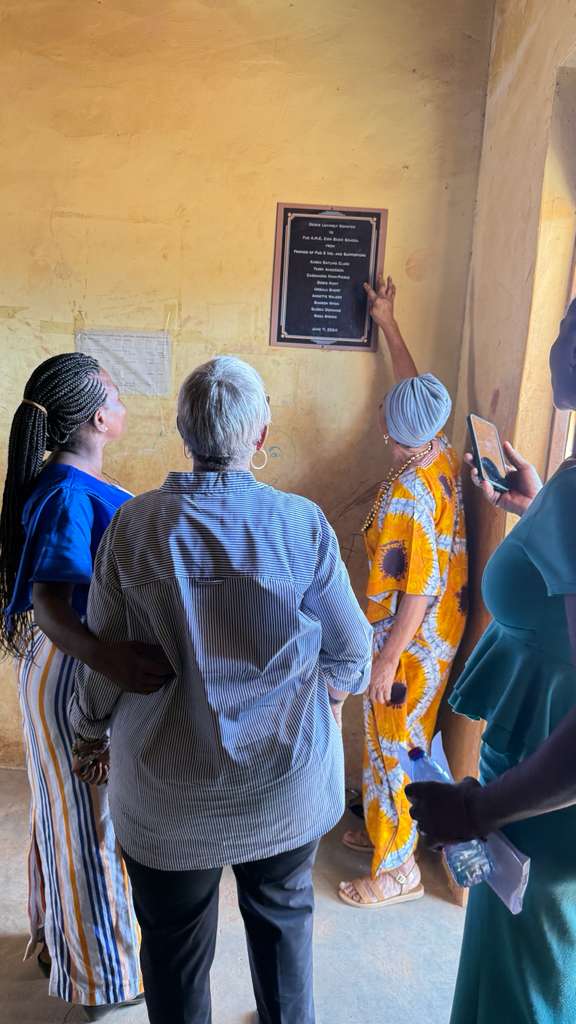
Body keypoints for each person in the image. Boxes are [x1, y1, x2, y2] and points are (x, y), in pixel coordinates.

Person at [68, 355, 373, 1024]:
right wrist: (318, 697)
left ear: (184, 434)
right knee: (283, 935)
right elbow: (353, 653)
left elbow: (108, 662)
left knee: (175, 955)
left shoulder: (135, 528)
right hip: (285, 789)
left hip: (167, 801)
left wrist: (87, 734)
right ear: (260, 435)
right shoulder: (302, 525)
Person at [406, 299, 576, 1023]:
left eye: (567, 328)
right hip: (533, 794)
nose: (558, 344)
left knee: (524, 992)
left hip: (540, 800)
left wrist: (478, 809)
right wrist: (538, 510)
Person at [0, 353, 173, 1018]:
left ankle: (60, 941)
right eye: (117, 399)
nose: (123, 408)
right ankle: (105, 979)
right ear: (99, 419)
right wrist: (113, 662)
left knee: (63, 810)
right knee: (88, 822)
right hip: (74, 666)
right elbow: (50, 603)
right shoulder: (70, 494)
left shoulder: (67, 480)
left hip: (67, 663)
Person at [338, 277, 468, 909]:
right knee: (388, 735)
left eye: (388, 418)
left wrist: (387, 660)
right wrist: (388, 322)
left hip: (410, 639)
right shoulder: (437, 450)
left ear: (395, 433)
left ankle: (398, 871)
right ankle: (382, 827)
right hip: (434, 629)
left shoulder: (412, 494)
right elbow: (414, 392)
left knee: (394, 742)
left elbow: (417, 588)